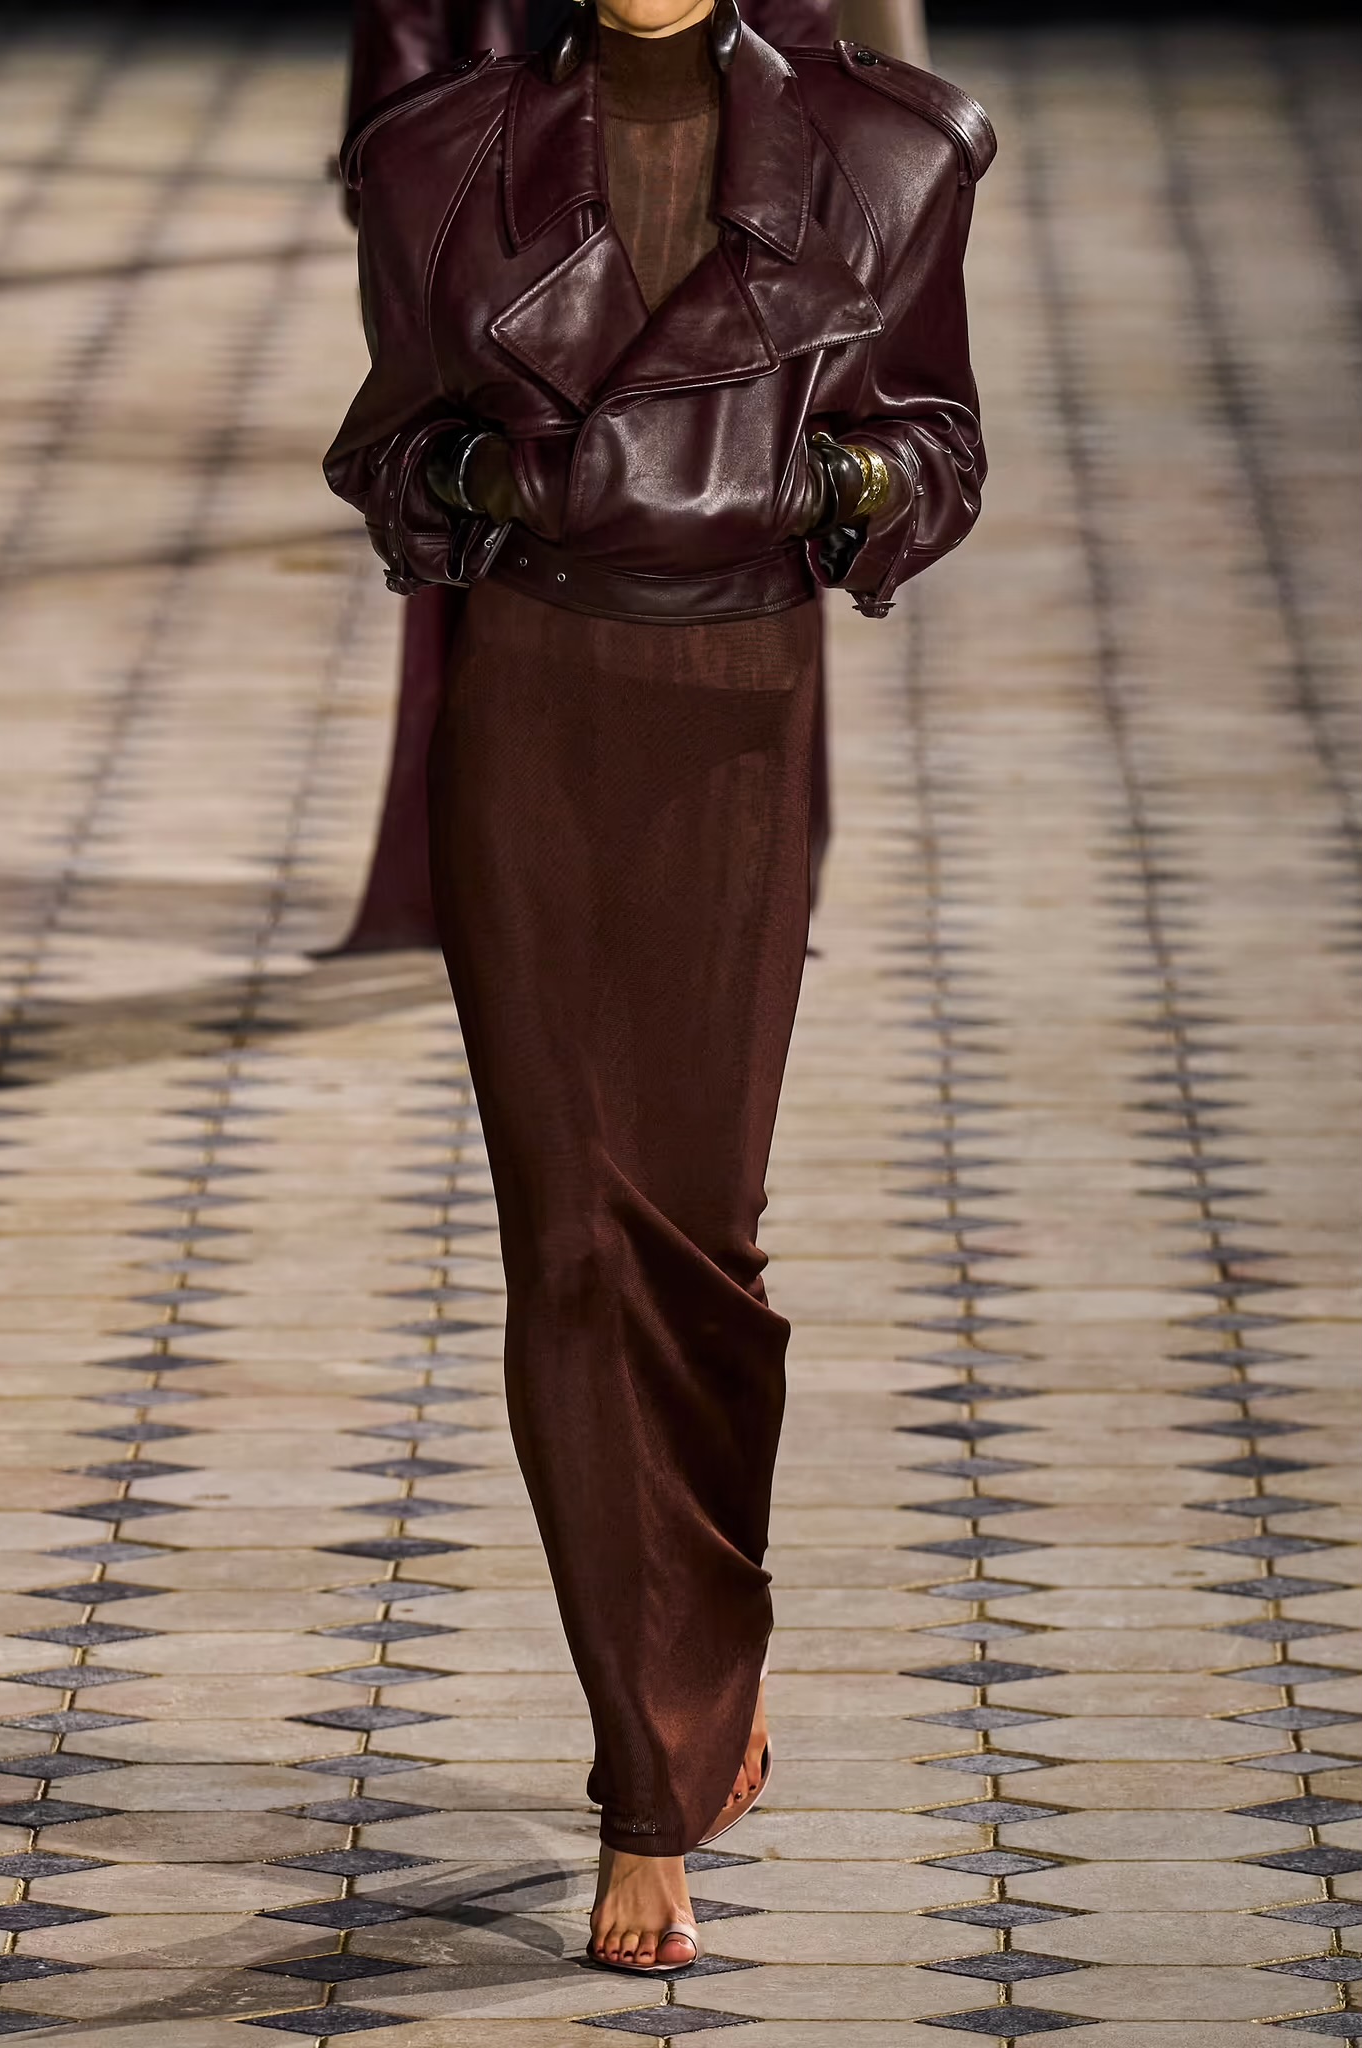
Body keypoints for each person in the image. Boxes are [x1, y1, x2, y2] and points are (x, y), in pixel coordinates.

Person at [326, 0, 992, 1973]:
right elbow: (389, 453)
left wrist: (808, 490)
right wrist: (500, 485)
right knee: (570, 1246)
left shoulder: (886, 151)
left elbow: (939, 447)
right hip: (531, 710)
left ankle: (700, 1654)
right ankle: (645, 1785)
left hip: (734, 712)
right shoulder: (445, 151)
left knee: (696, 1237)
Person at [332, 0, 901, 956]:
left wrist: (801, 172)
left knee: (718, 529)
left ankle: (713, 887)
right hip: (507, 188)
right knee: (513, 575)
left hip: (714, 175)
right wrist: (414, 171)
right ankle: (534, 887)